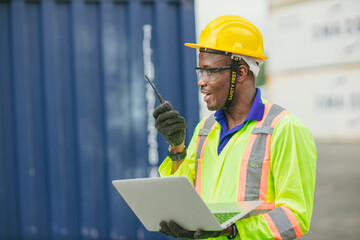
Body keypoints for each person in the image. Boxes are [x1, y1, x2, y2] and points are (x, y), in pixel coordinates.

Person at [153, 15, 317, 240]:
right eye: (200, 71)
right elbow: (183, 195)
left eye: (210, 71)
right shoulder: (205, 129)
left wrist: (234, 231)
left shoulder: (285, 129)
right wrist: (176, 147)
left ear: (240, 73)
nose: (201, 81)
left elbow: (295, 217)